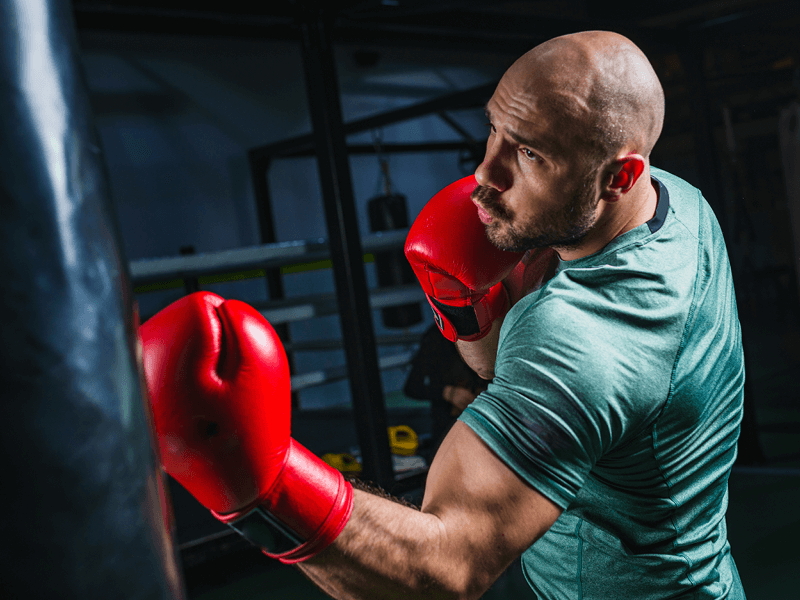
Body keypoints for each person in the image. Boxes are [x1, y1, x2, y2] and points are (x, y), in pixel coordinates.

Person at [140, 30, 746, 599]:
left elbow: (444, 569)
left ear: (619, 176)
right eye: (495, 131)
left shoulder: (586, 340)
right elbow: (503, 371)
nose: (486, 173)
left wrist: (261, 484)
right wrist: (470, 307)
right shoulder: (676, 203)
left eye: (530, 154)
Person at [403, 323, 488, 451]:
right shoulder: (436, 337)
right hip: (449, 428)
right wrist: (447, 393)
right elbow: (412, 387)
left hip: (484, 424)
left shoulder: (484, 328)